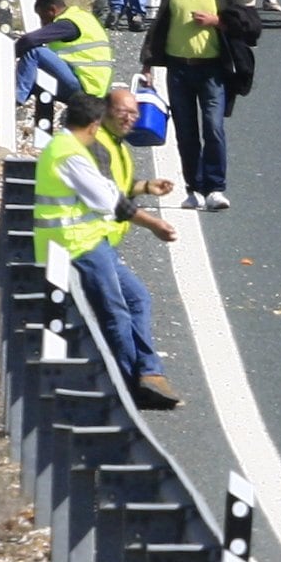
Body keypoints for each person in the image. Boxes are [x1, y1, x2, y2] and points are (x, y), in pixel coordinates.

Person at [33, 85, 179, 409]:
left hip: (90, 240)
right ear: (96, 122)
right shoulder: (73, 152)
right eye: (123, 112)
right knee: (115, 312)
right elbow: (107, 199)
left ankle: (149, 372)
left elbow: (114, 189)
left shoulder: (75, 146)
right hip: (76, 243)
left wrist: (143, 187)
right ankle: (131, 386)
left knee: (137, 298)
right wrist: (154, 224)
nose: (130, 119)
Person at [142, 0, 248, 212]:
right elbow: (160, 25)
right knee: (186, 133)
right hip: (178, 70)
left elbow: (251, 26)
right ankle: (194, 189)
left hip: (212, 70)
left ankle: (215, 187)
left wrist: (218, 20)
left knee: (213, 127)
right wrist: (147, 64)